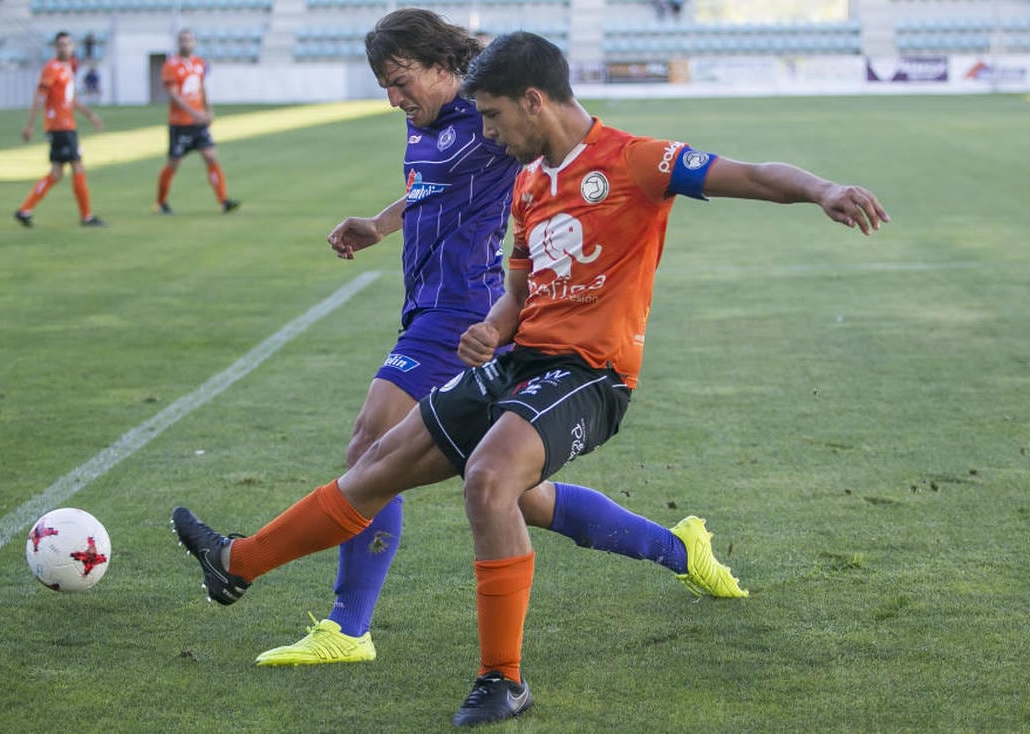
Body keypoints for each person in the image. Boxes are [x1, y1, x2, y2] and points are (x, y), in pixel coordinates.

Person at [172, 29, 888, 727]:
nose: (487, 133)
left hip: (592, 374)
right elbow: (520, 292)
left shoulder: (637, 161)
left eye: (492, 116)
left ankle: (502, 681)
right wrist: (493, 328)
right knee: (377, 464)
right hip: (520, 361)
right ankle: (237, 562)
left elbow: (754, 175)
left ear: (534, 101)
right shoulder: (531, 188)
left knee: (489, 478)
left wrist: (823, 189)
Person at [251, 8, 745, 671]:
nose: (395, 98)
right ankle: (679, 549)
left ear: (440, 67)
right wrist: (380, 222)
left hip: (465, 312)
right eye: (386, 88)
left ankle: (348, 623)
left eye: (402, 81)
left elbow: (560, 132)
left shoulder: (490, 121)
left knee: (373, 447)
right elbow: (434, 187)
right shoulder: (423, 118)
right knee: (518, 493)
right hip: (428, 302)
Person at [15, 31, 106, 228]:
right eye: (61, 45)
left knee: (56, 173)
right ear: (55, 48)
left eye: (68, 44)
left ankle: (25, 209)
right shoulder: (52, 69)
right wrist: (30, 125)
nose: (65, 48)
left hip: (67, 125)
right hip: (60, 126)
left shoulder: (68, 67)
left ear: (72, 47)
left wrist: (90, 115)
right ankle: (87, 216)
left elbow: (70, 99)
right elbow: (40, 97)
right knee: (77, 166)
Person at [155, 29, 240, 215]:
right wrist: (194, 113)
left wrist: (208, 110)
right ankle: (161, 202)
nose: (186, 44)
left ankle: (223, 201)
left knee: (211, 156)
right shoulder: (171, 65)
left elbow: (201, 88)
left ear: (194, 43)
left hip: (198, 122)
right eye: (183, 40)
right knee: (173, 163)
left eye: (189, 40)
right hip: (180, 124)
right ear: (179, 43)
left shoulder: (199, 63)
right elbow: (173, 96)